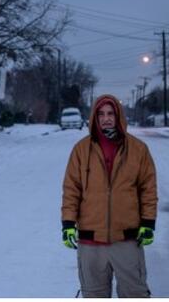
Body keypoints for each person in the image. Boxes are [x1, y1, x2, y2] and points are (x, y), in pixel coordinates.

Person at [61, 95, 158, 298]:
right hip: (91, 242)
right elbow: (72, 189)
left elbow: (147, 189)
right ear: (94, 117)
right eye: (101, 114)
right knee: (94, 295)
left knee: (135, 294)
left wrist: (148, 223)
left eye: (110, 113)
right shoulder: (81, 150)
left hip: (127, 240)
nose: (106, 118)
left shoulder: (138, 149)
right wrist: (68, 223)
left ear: (118, 116)